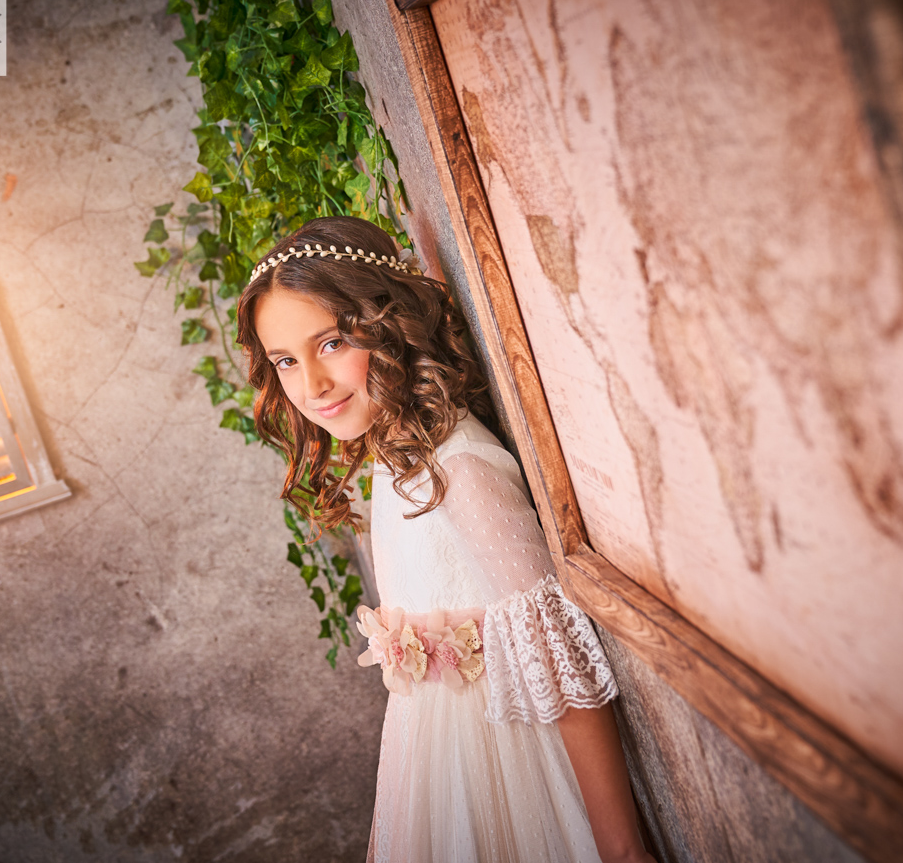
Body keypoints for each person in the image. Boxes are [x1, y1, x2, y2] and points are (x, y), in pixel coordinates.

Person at [237, 215, 656, 863]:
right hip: (436, 769)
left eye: (332, 343)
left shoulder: (457, 467)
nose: (311, 385)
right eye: (286, 361)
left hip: (505, 769)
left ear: (387, 325)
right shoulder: (394, 457)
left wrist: (621, 850)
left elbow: (553, 654)